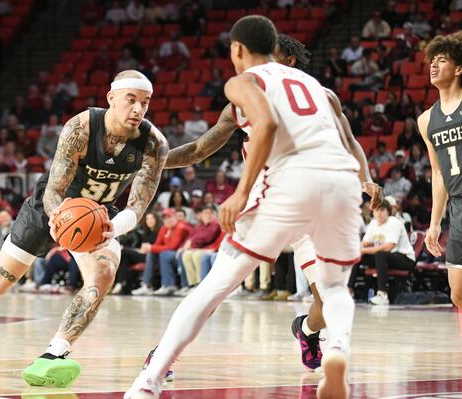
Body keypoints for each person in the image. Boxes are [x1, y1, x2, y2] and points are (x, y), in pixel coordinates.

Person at [126, 21, 378, 399]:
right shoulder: (320, 90)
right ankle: (336, 350)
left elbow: (265, 125)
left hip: (286, 187)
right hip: (339, 184)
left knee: (215, 286)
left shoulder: (242, 83)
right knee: (335, 287)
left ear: (237, 50)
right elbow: (350, 141)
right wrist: (365, 178)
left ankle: (150, 379)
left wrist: (241, 192)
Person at [0, 70, 169, 388]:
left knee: (102, 276)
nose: (138, 109)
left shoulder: (153, 143)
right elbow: (55, 188)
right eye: (131, 100)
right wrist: (57, 217)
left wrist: (113, 227)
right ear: (111, 98)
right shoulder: (82, 127)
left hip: (98, 216)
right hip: (48, 208)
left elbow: (137, 206)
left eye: (145, 102)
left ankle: (55, 354)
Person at [417, 32, 462, 308]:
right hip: (457, 207)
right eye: (432, 60)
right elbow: (437, 173)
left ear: (458, 68)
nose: (433, 65)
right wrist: (435, 223)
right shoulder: (425, 120)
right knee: (457, 293)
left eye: (442, 60)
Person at [348, 200, 415, 305]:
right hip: (386, 258)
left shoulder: (394, 222)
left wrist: (364, 250)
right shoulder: (373, 223)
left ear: (388, 211)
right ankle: (349, 290)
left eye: (382, 210)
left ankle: (382, 294)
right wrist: (361, 250)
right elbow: (364, 243)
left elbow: (388, 247)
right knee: (359, 256)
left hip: (405, 258)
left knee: (380, 254)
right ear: (373, 212)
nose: (379, 213)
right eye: (376, 210)